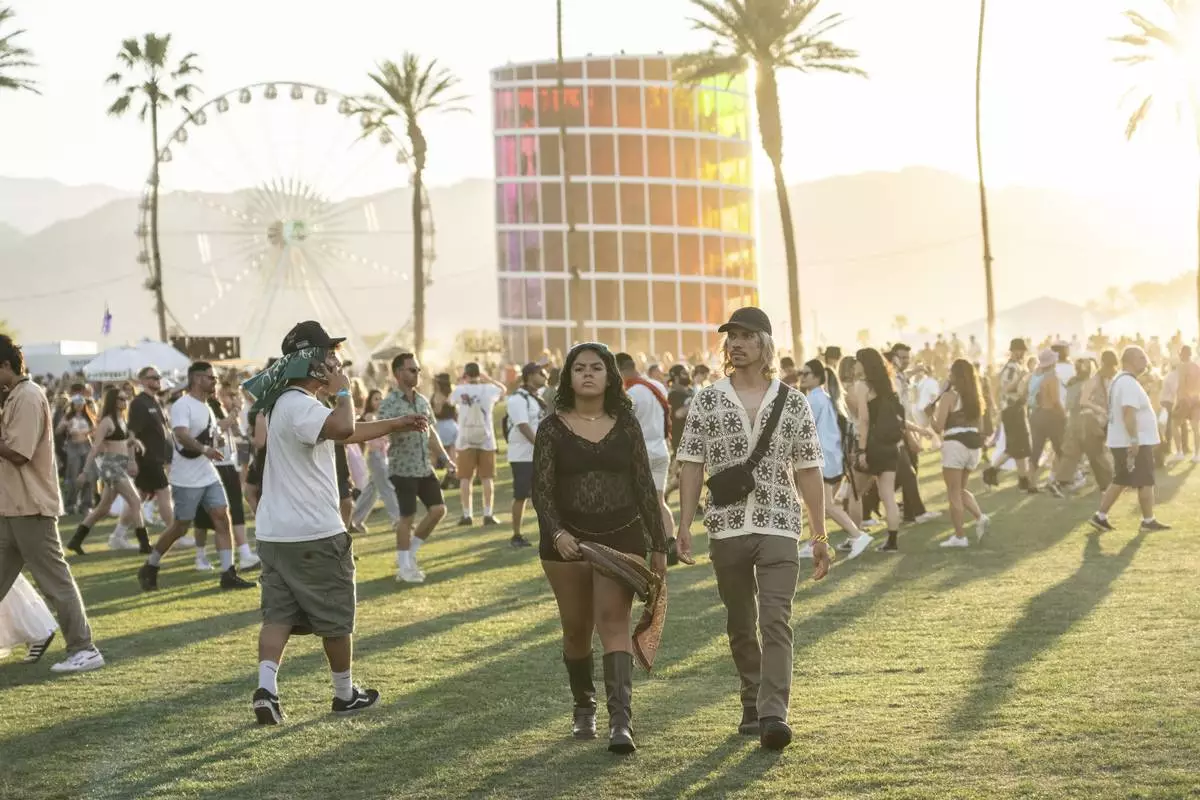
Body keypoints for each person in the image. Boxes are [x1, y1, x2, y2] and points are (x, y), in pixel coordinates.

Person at [246, 321, 428, 724]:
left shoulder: (285, 403)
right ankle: (345, 695)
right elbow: (343, 426)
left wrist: (396, 423)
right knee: (335, 617)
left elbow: (342, 432)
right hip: (313, 532)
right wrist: (343, 388)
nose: (335, 361)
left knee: (278, 616)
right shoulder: (301, 404)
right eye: (328, 356)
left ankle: (266, 690)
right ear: (312, 363)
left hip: (275, 534)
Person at [676, 307, 829, 751]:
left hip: (780, 523)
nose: (736, 344)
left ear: (765, 344)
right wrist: (684, 524)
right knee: (740, 622)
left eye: (746, 336)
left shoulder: (793, 401)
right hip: (725, 527)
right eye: (732, 337)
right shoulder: (708, 399)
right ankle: (751, 697)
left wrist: (819, 537)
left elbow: (808, 471)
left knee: (775, 620)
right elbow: (691, 464)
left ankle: (773, 713)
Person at [532, 342, 668, 755]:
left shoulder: (627, 426)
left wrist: (658, 545)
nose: (587, 374)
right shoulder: (551, 428)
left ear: (610, 375)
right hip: (566, 543)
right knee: (576, 630)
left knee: (614, 623)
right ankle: (583, 705)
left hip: (621, 538)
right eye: (579, 368)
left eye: (596, 367)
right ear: (568, 377)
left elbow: (646, 487)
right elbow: (542, 492)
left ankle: (620, 723)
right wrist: (557, 534)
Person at [0, 335, 104, 673]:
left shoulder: (28, 397)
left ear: (5, 366)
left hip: (31, 507)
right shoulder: (15, 395)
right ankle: (77, 646)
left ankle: (84, 648)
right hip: (12, 508)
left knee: (56, 583)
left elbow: (18, 452)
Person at [137, 362, 256, 591]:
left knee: (222, 516)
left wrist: (218, 436)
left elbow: (211, 432)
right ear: (197, 379)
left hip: (207, 472)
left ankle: (228, 573)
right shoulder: (183, 404)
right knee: (181, 526)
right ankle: (150, 566)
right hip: (186, 477)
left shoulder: (206, 406)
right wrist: (205, 449)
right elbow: (180, 435)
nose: (214, 382)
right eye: (210, 378)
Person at [379, 353, 454, 583]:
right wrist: (404, 425)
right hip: (402, 467)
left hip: (423, 467)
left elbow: (431, 432)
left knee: (438, 510)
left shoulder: (422, 400)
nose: (417, 374)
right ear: (398, 373)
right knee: (407, 517)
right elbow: (383, 431)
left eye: (418, 370)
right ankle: (404, 568)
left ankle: (408, 554)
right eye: (412, 370)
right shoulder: (389, 403)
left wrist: (444, 457)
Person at [1090, 347, 1171, 534]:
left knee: (1122, 479)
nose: (1146, 360)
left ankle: (1100, 517)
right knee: (1145, 480)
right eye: (1141, 357)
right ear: (1129, 360)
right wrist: (1134, 439)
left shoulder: (1124, 380)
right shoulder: (1127, 382)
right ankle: (1147, 520)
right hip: (1133, 441)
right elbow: (1128, 412)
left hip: (1124, 440)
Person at [798, 359, 872, 558]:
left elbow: (801, 428)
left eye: (806, 374)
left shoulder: (814, 399)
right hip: (832, 459)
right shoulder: (826, 397)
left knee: (826, 505)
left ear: (817, 377)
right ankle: (815, 542)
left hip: (822, 459)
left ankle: (858, 535)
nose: (802, 377)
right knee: (817, 504)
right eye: (801, 374)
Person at [68, 387, 150, 554]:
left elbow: (124, 442)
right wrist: (85, 471)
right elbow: (96, 447)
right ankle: (144, 544)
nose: (124, 401)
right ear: (113, 401)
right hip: (111, 466)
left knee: (103, 508)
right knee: (135, 500)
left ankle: (76, 540)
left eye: (125, 398)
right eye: (121, 399)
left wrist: (134, 444)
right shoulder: (107, 421)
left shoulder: (122, 419)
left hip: (119, 464)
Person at [191, 389, 260, 573]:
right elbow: (218, 427)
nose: (233, 398)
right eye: (230, 394)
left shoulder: (220, 407)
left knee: (235, 509)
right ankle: (200, 555)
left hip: (228, 463)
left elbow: (237, 434)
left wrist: (235, 419)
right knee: (204, 516)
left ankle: (245, 554)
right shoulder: (205, 406)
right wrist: (235, 412)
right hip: (210, 464)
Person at [616, 352, 676, 563]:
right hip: (660, 447)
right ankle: (670, 542)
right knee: (659, 501)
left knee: (635, 502)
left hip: (640, 451)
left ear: (620, 369)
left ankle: (644, 544)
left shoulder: (629, 392)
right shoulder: (656, 386)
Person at [852, 348, 907, 552]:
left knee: (854, 493)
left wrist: (861, 450)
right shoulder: (889, 384)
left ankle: (855, 535)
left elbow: (864, 421)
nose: (854, 365)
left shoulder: (862, 386)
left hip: (873, 445)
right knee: (888, 496)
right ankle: (892, 542)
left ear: (864, 364)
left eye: (857, 361)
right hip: (891, 445)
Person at [933, 359, 991, 547]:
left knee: (953, 493)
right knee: (960, 489)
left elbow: (938, 426)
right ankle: (980, 517)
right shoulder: (976, 398)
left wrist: (929, 414)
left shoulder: (949, 397)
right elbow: (980, 427)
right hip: (973, 447)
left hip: (955, 445)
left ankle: (959, 537)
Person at [453, 363, 506, 526]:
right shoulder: (489, 389)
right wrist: (488, 378)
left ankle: (467, 514)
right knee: (487, 478)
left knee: (465, 479)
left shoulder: (460, 390)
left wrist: (461, 382)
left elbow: (451, 401)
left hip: (465, 439)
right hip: (486, 439)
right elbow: (504, 390)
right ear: (479, 373)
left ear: (466, 375)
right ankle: (488, 514)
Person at [127, 365, 175, 532]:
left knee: (138, 496)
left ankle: (118, 535)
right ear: (143, 381)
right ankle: (174, 533)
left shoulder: (157, 401)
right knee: (164, 492)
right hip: (148, 458)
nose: (157, 380)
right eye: (153, 377)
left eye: (158, 377)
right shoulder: (139, 403)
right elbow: (131, 433)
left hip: (158, 457)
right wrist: (132, 460)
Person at [983, 338, 1034, 491]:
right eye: (1020, 350)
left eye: (1023, 351)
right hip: (1012, 409)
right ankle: (992, 471)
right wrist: (1022, 377)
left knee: (1021, 448)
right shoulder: (1012, 368)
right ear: (1013, 351)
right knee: (1016, 447)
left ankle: (1022, 481)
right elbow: (1006, 388)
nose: (1022, 353)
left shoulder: (1018, 366)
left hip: (1016, 408)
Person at [505, 363, 546, 549]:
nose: (545, 376)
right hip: (522, 456)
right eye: (541, 373)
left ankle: (549, 532)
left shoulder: (535, 396)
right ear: (529, 375)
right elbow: (523, 426)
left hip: (536, 455)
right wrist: (540, 447)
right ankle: (516, 535)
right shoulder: (517, 399)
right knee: (521, 495)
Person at [350, 390, 403, 531]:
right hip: (375, 457)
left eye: (381, 398)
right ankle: (397, 519)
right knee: (386, 487)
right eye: (376, 399)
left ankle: (354, 519)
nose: (379, 401)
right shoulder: (369, 416)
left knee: (371, 491)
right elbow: (378, 432)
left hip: (382, 456)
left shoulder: (382, 416)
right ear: (370, 401)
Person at [1027, 350, 1067, 495]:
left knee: (1036, 450)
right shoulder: (1052, 378)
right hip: (1051, 415)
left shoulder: (1037, 377)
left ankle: (1031, 483)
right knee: (1061, 449)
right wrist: (1064, 415)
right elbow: (1055, 400)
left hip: (1036, 415)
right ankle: (1059, 481)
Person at [56, 394, 95, 516]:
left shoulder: (87, 417)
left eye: (81, 404)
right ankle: (70, 505)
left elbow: (94, 429)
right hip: (73, 447)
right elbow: (57, 431)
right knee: (73, 476)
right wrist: (65, 425)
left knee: (88, 475)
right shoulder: (68, 417)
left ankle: (86, 504)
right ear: (72, 405)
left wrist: (87, 432)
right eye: (77, 404)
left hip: (86, 445)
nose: (79, 406)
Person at [430, 373, 458, 490]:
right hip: (453, 425)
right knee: (452, 453)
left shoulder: (438, 395)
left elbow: (437, 412)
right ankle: (453, 475)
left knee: (435, 454)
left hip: (442, 426)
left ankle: (432, 480)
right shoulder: (453, 392)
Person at [1174, 345, 1200, 464]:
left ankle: (1179, 452)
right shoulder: (1196, 366)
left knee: (1175, 425)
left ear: (1182, 354)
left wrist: (1180, 400)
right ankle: (1197, 454)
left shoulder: (1181, 367)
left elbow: (1181, 384)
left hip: (1185, 399)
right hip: (1196, 398)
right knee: (1195, 427)